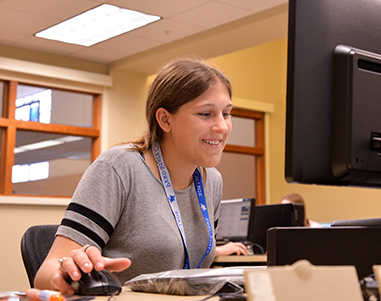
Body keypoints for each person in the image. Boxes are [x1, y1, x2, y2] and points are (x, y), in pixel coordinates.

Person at [34, 58, 239, 294]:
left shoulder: (211, 181)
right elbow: (46, 272)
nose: (222, 126)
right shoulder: (118, 168)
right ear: (165, 119)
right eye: (206, 113)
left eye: (226, 114)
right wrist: (65, 274)